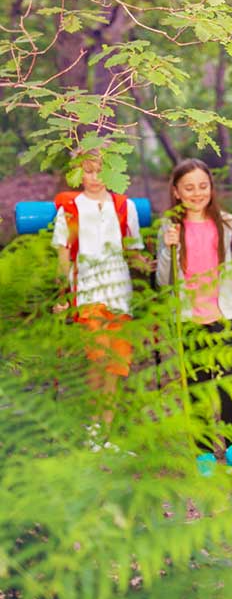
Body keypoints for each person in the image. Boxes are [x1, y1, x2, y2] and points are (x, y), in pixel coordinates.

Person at [157, 158, 232, 475]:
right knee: (198, 385)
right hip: (189, 317)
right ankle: (202, 453)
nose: (197, 193)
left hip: (224, 312)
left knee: (228, 381)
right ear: (176, 192)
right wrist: (167, 248)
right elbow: (164, 279)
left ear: (211, 188)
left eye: (203, 186)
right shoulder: (170, 227)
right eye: (189, 187)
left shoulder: (229, 223)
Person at [52, 152, 145, 428]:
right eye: (88, 171)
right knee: (98, 357)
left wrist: (152, 266)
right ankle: (94, 428)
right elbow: (63, 255)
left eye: (100, 170)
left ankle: (105, 430)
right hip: (88, 292)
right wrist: (63, 297)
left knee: (116, 365)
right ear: (78, 173)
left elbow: (134, 251)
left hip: (120, 294)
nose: (94, 178)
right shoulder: (70, 208)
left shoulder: (124, 206)